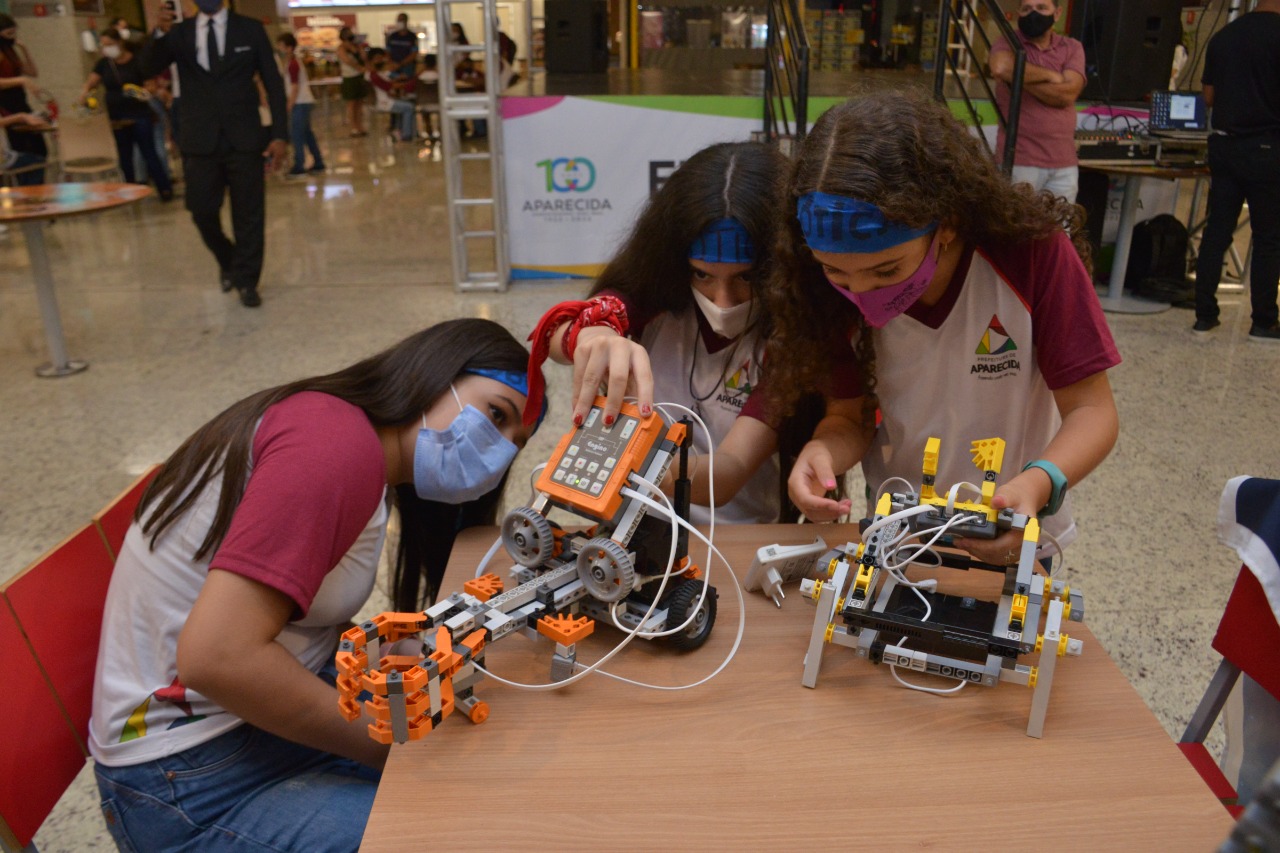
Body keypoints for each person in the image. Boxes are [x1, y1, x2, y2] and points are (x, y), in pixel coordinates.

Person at [89, 318, 540, 852]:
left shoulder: (363, 452)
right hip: (187, 777)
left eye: (514, 442)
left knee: (487, 781)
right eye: (495, 414)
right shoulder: (333, 446)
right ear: (435, 374)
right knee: (458, 830)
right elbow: (216, 657)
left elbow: (289, 606)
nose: (497, 452)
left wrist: (377, 647)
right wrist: (389, 741)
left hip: (241, 726)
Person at [769, 92, 1119, 566]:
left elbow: (1093, 411)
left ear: (946, 223)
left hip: (1016, 529)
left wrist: (1037, 485)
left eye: (887, 271)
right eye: (838, 273)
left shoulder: (1031, 256)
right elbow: (848, 419)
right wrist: (822, 453)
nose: (862, 294)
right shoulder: (822, 292)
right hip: (901, 533)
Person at [526, 142, 857, 524]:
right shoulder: (656, 298)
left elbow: (731, 469)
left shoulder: (793, 335)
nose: (723, 299)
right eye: (702, 274)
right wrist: (591, 334)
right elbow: (557, 332)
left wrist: (644, 472)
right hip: (636, 524)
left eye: (747, 278)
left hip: (738, 535)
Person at [143, 0, 287, 308]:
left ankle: (247, 280)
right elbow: (147, 68)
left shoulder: (250, 30)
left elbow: (273, 82)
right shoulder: (179, 34)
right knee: (201, 209)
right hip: (199, 139)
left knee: (249, 213)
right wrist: (157, 32)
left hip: (244, 137)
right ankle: (228, 259)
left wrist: (279, 134)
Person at [1191, 0, 1280, 342]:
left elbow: (1209, 96)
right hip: (1267, 149)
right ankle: (1264, 321)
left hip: (1225, 147)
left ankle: (1204, 314)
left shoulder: (1223, 37)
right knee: (1268, 238)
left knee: (1216, 231)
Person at [987, 0, 1086, 202]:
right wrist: (1053, 76)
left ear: (1057, 13)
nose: (1033, 14)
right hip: (1019, 161)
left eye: (1041, 8)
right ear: (1018, 14)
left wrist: (1019, 81)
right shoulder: (1007, 41)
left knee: (1060, 232)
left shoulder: (1071, 47)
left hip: (1064, 163)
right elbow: (1001, 68)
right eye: (1027, 9)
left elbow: (1067, 94)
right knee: (1016, 230)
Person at [78, 29, 174, 201]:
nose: (106, 48)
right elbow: (91, 83)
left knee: (149, 152)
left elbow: (150, 88)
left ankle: (164, 189)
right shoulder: (104, 64)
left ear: (119, 43)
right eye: (103, 45)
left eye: (109, 44)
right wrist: (85, 94)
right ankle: (129, 191)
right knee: (124, 155)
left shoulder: (137, 61)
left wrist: (133, 93)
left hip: (139, 114)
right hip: (117, 117)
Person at [0, 15, 47, 184]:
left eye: (14, 33)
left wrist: (25, 50)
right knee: (21, 147)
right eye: (8, 33)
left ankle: (37, 188)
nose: (12, 37)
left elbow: (32, 72)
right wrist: (21, 80)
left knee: (40, 150)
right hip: (6, 105)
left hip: (21, 102)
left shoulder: (10, 51)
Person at [277, 32, 326, 177]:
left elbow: (295, 86)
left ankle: (299, 164)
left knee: (297, 134)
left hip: (300, 101)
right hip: (302, 101)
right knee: (306, 133)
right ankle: (318, 162)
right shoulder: (291, 62)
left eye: (281, 46)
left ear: (289, 47)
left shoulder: (293, 64)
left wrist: (289, 103)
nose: (279, 49)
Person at [367, 47, 416, 142]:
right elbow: (389, 86)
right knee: (409, 107)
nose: (381, 60)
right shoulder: (374, 75)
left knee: (407, 104)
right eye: (378, 58)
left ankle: (403, 131)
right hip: (384, 102)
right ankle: (406, 135)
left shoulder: (381, 73)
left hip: (389, 99)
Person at [337, 26, 368, 138]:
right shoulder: (341, 49)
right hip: (349, 78)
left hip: (359, 77)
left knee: (359, 103)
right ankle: (353, 127)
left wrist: (358, 48)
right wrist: (359, 68)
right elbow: (347, 61)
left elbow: (364, 58)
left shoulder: (356, 47)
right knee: (351, 104)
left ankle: (360, 126)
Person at [385, 12, 417, 82]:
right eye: (398, 20)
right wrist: (391, 63)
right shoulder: (392, 36)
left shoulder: (412, 37)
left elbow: (414, 53)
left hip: (407, 68)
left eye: (402, 20)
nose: (400, 22)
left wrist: (401, 64)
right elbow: (387, 51)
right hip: (393, 67)